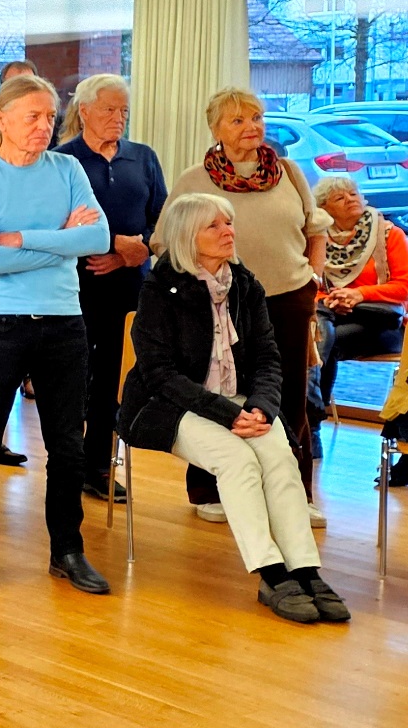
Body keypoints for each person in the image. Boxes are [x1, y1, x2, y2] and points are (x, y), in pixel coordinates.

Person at [119, 194, 346, 624]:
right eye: (215, 225)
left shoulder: (244, 284)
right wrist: (226, 414)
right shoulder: (160, 288)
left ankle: (305, 569)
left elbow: (267, 358)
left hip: (239, 402)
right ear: (188, 235)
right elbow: (159, 373)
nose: (229, 231)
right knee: (237, 460)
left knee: (280, 455)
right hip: (170, 404)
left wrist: (261, 407)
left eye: (229, 222)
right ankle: (271, 573)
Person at [0, 74, 112, 595]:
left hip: (63, 321)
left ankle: (67, 550)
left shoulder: (68, 168)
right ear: (0, 120)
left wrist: (23, 238)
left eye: (50, 117)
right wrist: (62, 239)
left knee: (67, 447)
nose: (45, 126)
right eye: (32, 117)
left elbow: (99, 238)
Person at [166, 87, 327, 524]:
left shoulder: (289, 172)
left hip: (288, 298)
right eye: (237, 120)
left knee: (291, 396)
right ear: (215, 129)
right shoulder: (194, 180)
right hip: (222, 302)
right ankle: (210, 489)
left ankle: (295, 493)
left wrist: (313, 276)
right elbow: (167, 241)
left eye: (255, 118)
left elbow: (316, 229)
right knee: (219, 392)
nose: (251, 127)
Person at [54, 74, 165, 502]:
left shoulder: (143, 158)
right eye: (109, 109)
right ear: (84, 111)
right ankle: (66, 464)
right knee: (72, 378)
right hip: (75, 287)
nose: (119, 118)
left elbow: (162, 220)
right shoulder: (62, 160)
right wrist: (111, 243)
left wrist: (130, 252)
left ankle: (98, 465)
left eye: (124, 111)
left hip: (129, 287)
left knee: (112, 380)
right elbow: (54, 224)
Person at [312, 174, 408, 412]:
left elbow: (404, 286)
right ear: (324, 209)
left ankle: (311, 415)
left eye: (353, 194)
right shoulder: (317, 240)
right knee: (316, 333)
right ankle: (311, 413)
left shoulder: (389, 235)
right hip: (334, 314)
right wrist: (333, 299)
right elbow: (309, 285)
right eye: (339, 198)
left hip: (385, 323)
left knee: (325, 341)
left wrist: (359, 295)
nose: (349, 199)